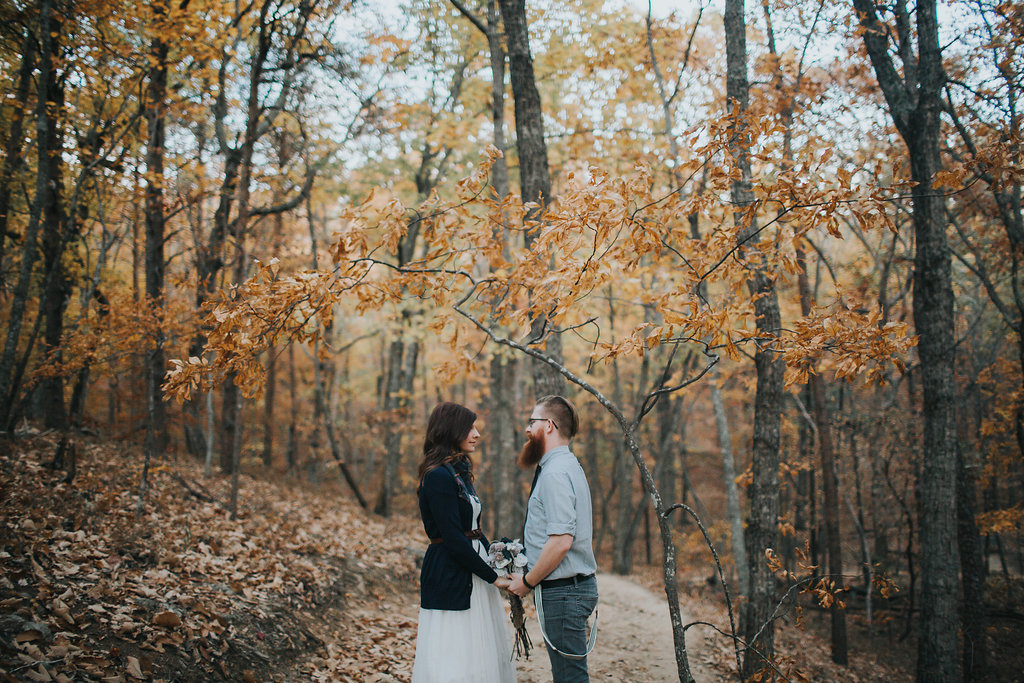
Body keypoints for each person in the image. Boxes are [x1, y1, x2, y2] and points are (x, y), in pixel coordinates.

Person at [412, 402, 516, 683]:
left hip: (473, 567)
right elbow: (453, 539)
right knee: (455, 653)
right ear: (451, 430)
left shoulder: (457, 472)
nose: (477, 433)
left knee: (480, 650)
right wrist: (492, 577)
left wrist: (498, 557)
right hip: (450, 571)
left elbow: (472, 529)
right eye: (470, 427)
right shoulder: (437, 476)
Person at [508, 395, 598, 683]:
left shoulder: (555, 474)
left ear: (548, 426)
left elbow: (561, 542)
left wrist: (527, 582)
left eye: (531, 422)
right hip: (566, 591)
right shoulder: (566, 466)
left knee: (570, 678)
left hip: (564, 593)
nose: (526, 429)